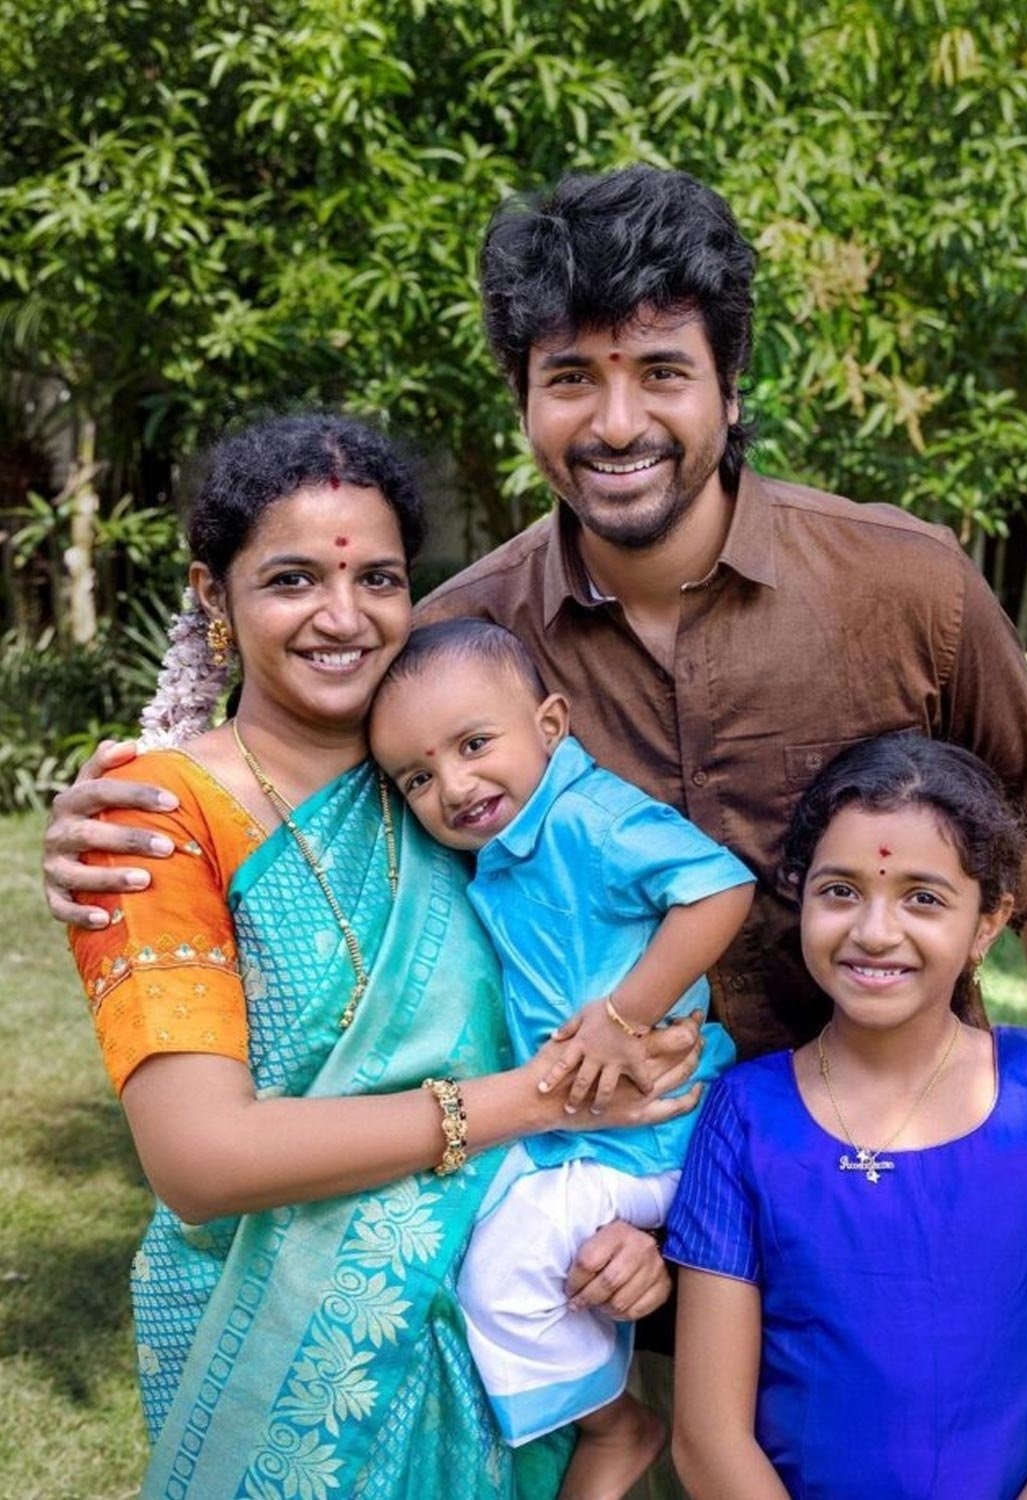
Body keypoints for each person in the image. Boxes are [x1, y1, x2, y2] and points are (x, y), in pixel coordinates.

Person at [42, 163, 1027, 1150]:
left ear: (729, 386)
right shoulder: (459, 648)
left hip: (902, 1147)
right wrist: (118, 824)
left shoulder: (902, 581)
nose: (617, 423)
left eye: (662, 372)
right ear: (525, 400)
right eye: (572, 377)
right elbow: (301, 789)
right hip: (598, 1197)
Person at [64, 414, 702, 1499]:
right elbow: (202, 1161)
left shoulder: (457, 786)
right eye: (292, 580)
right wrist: (540, 1101)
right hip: (269, 1342)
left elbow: (607, 981)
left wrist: (620, 1218)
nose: (343, 616)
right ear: (214, 596)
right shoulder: (156, 819)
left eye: (380, 579)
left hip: (498, 1315)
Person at [667, 734, 1027, 1500]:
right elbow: (707, 1437)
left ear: (989, 922)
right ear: (800, 895)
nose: (874, 931)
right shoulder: (744, 1117)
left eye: (922, 898)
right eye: (840, 890)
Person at [368, 618, 754, 1497]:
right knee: (448, 1231)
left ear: (550, 725)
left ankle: (614, 1430)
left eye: (474, 745)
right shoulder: (503, 846)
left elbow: (720, 887)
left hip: (650, 1134)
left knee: (504, 1272)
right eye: (418, 778)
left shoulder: (588, 820)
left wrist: (624, 1015)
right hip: (574, 1131)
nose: (454, 786)